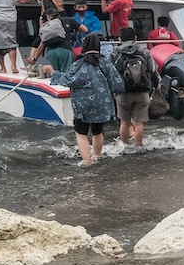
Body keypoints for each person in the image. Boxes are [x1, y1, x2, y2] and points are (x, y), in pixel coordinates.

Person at [43, 34, 125, 168]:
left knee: (81, 132)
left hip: (83, 105)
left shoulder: (79, 63)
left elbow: (68, 80)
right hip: (102, 103)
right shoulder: (105, 62)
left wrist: (53, 72)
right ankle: (97, 156)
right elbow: (118, 83)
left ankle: (87, 161)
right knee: (98, 131)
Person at [111, 26, 157, 148]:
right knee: (139, 123)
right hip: (142, 92)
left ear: (120, 39)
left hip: (123, 93)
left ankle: (124, 147)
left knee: (125, 122)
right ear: (135, 38)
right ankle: (138, 147)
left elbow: (111, 73)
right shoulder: (144, 51)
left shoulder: (115, 53)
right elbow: (152, 69)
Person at [32, 6, 88, 72]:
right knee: (65, 73)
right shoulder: (67, 20)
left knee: (54, 73)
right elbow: (85, 29)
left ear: (48, 16)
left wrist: (34, 58)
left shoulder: (46, 25)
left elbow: (41, 45)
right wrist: (75, 33)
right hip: (64, 49)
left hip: (50, 52)